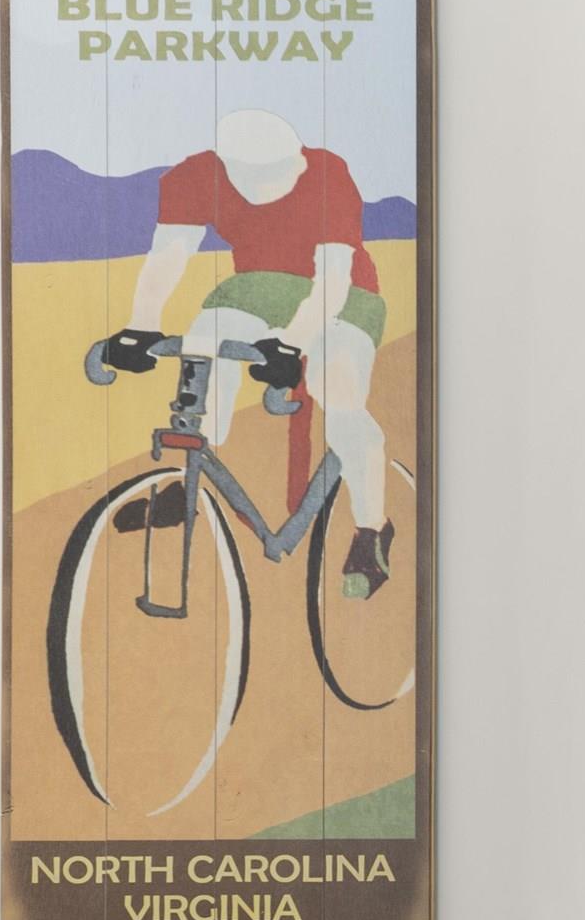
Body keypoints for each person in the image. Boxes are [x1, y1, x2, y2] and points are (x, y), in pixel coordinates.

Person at [97, 107, 397, 598]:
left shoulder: (326, 172)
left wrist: (294, 343)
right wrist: (141, 326)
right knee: (204, 338)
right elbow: (168, 256)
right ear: (231, 168)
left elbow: (333, 280)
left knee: (334, 386)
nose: (291, 175)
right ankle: (192, 475)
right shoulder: (196, 176)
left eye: (292, 165)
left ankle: (371, 529)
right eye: (272, 173)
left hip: (344, 300)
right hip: (253, 290)